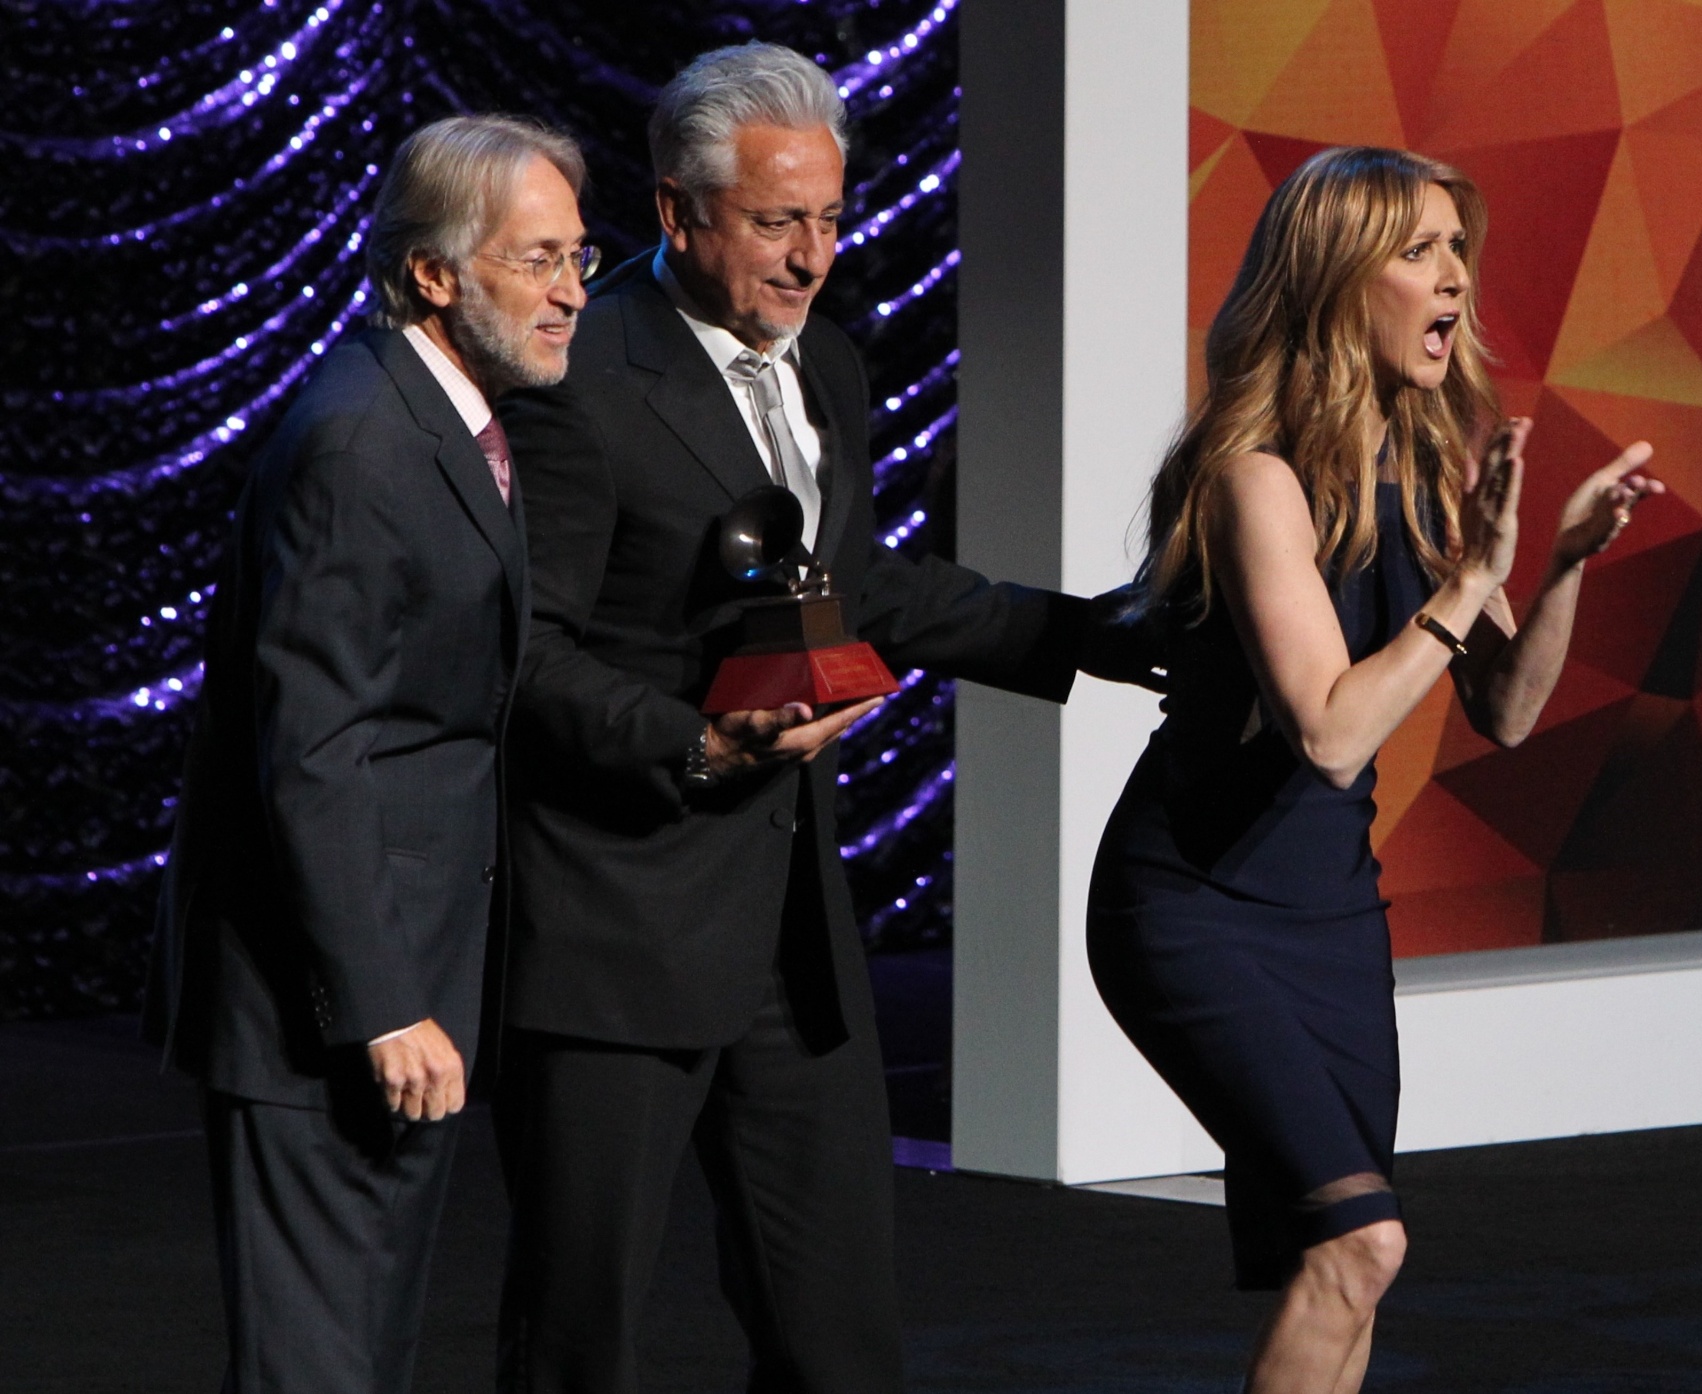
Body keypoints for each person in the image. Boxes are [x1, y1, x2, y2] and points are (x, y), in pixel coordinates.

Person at [490, 41, 1157, 1394]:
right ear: (679, 213)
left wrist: (1102, 634)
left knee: (839, 1337)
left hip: (792, 948)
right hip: (615, 935)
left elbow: (864, 589)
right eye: (777, 221)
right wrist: (697, 740)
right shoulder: (583, 377)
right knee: (580, 1343)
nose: (813, 256)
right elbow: (522, 659)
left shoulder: (830, 364)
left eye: (833, 219)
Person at [1085, 146, 1664, 1394]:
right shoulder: (1254, 479)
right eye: (1420, 253)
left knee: (1349, 1264)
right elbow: (1334, 727)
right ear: (1340, 282)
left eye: (1459, 248)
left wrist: (1552, 567)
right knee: (1361, 1241)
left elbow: (1503, 707)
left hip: (1330, 918)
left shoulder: (1410, 471)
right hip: (1194, 909)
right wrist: (1468, 581)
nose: (1455, 277)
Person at [143, 114, 595, 1394]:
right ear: (436, 274)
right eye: (536, 259)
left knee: (367, 1353)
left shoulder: (451, 420)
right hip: (332, 999)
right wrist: (386, 998)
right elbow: (314, 746)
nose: (571, 290)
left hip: (412, 973)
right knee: (317, 1364)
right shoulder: (361, 441)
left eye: (578, 253)